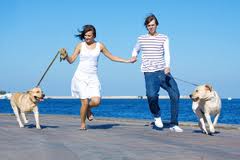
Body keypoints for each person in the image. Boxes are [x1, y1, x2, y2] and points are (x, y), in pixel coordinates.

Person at [60, 24, 134, 130]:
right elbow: (71, 60)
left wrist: (127, 61)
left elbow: (112, 57)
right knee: (84, 102)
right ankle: (82, 124)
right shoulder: (80, 45)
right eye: (85, 35)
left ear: (94, 35)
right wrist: (66, 56)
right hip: (80, 77)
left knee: (96, 101)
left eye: (89, 35)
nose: (87, 37)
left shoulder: (100, 45)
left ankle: (88, 109)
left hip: (93, 77)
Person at [130, 14, 183, 132]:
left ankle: (174, 124)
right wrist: (134, 56)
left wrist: (168, 66)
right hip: (149, 73)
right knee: (151, 96)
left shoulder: (164, 37)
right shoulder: (141, 39)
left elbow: (167, 53)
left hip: (163, 71)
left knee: (175, 94)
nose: (151, 27)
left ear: (157, 25)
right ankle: (157, 116)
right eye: (149, 26)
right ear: (146, 27)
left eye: (153, 25)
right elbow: (135, 49)